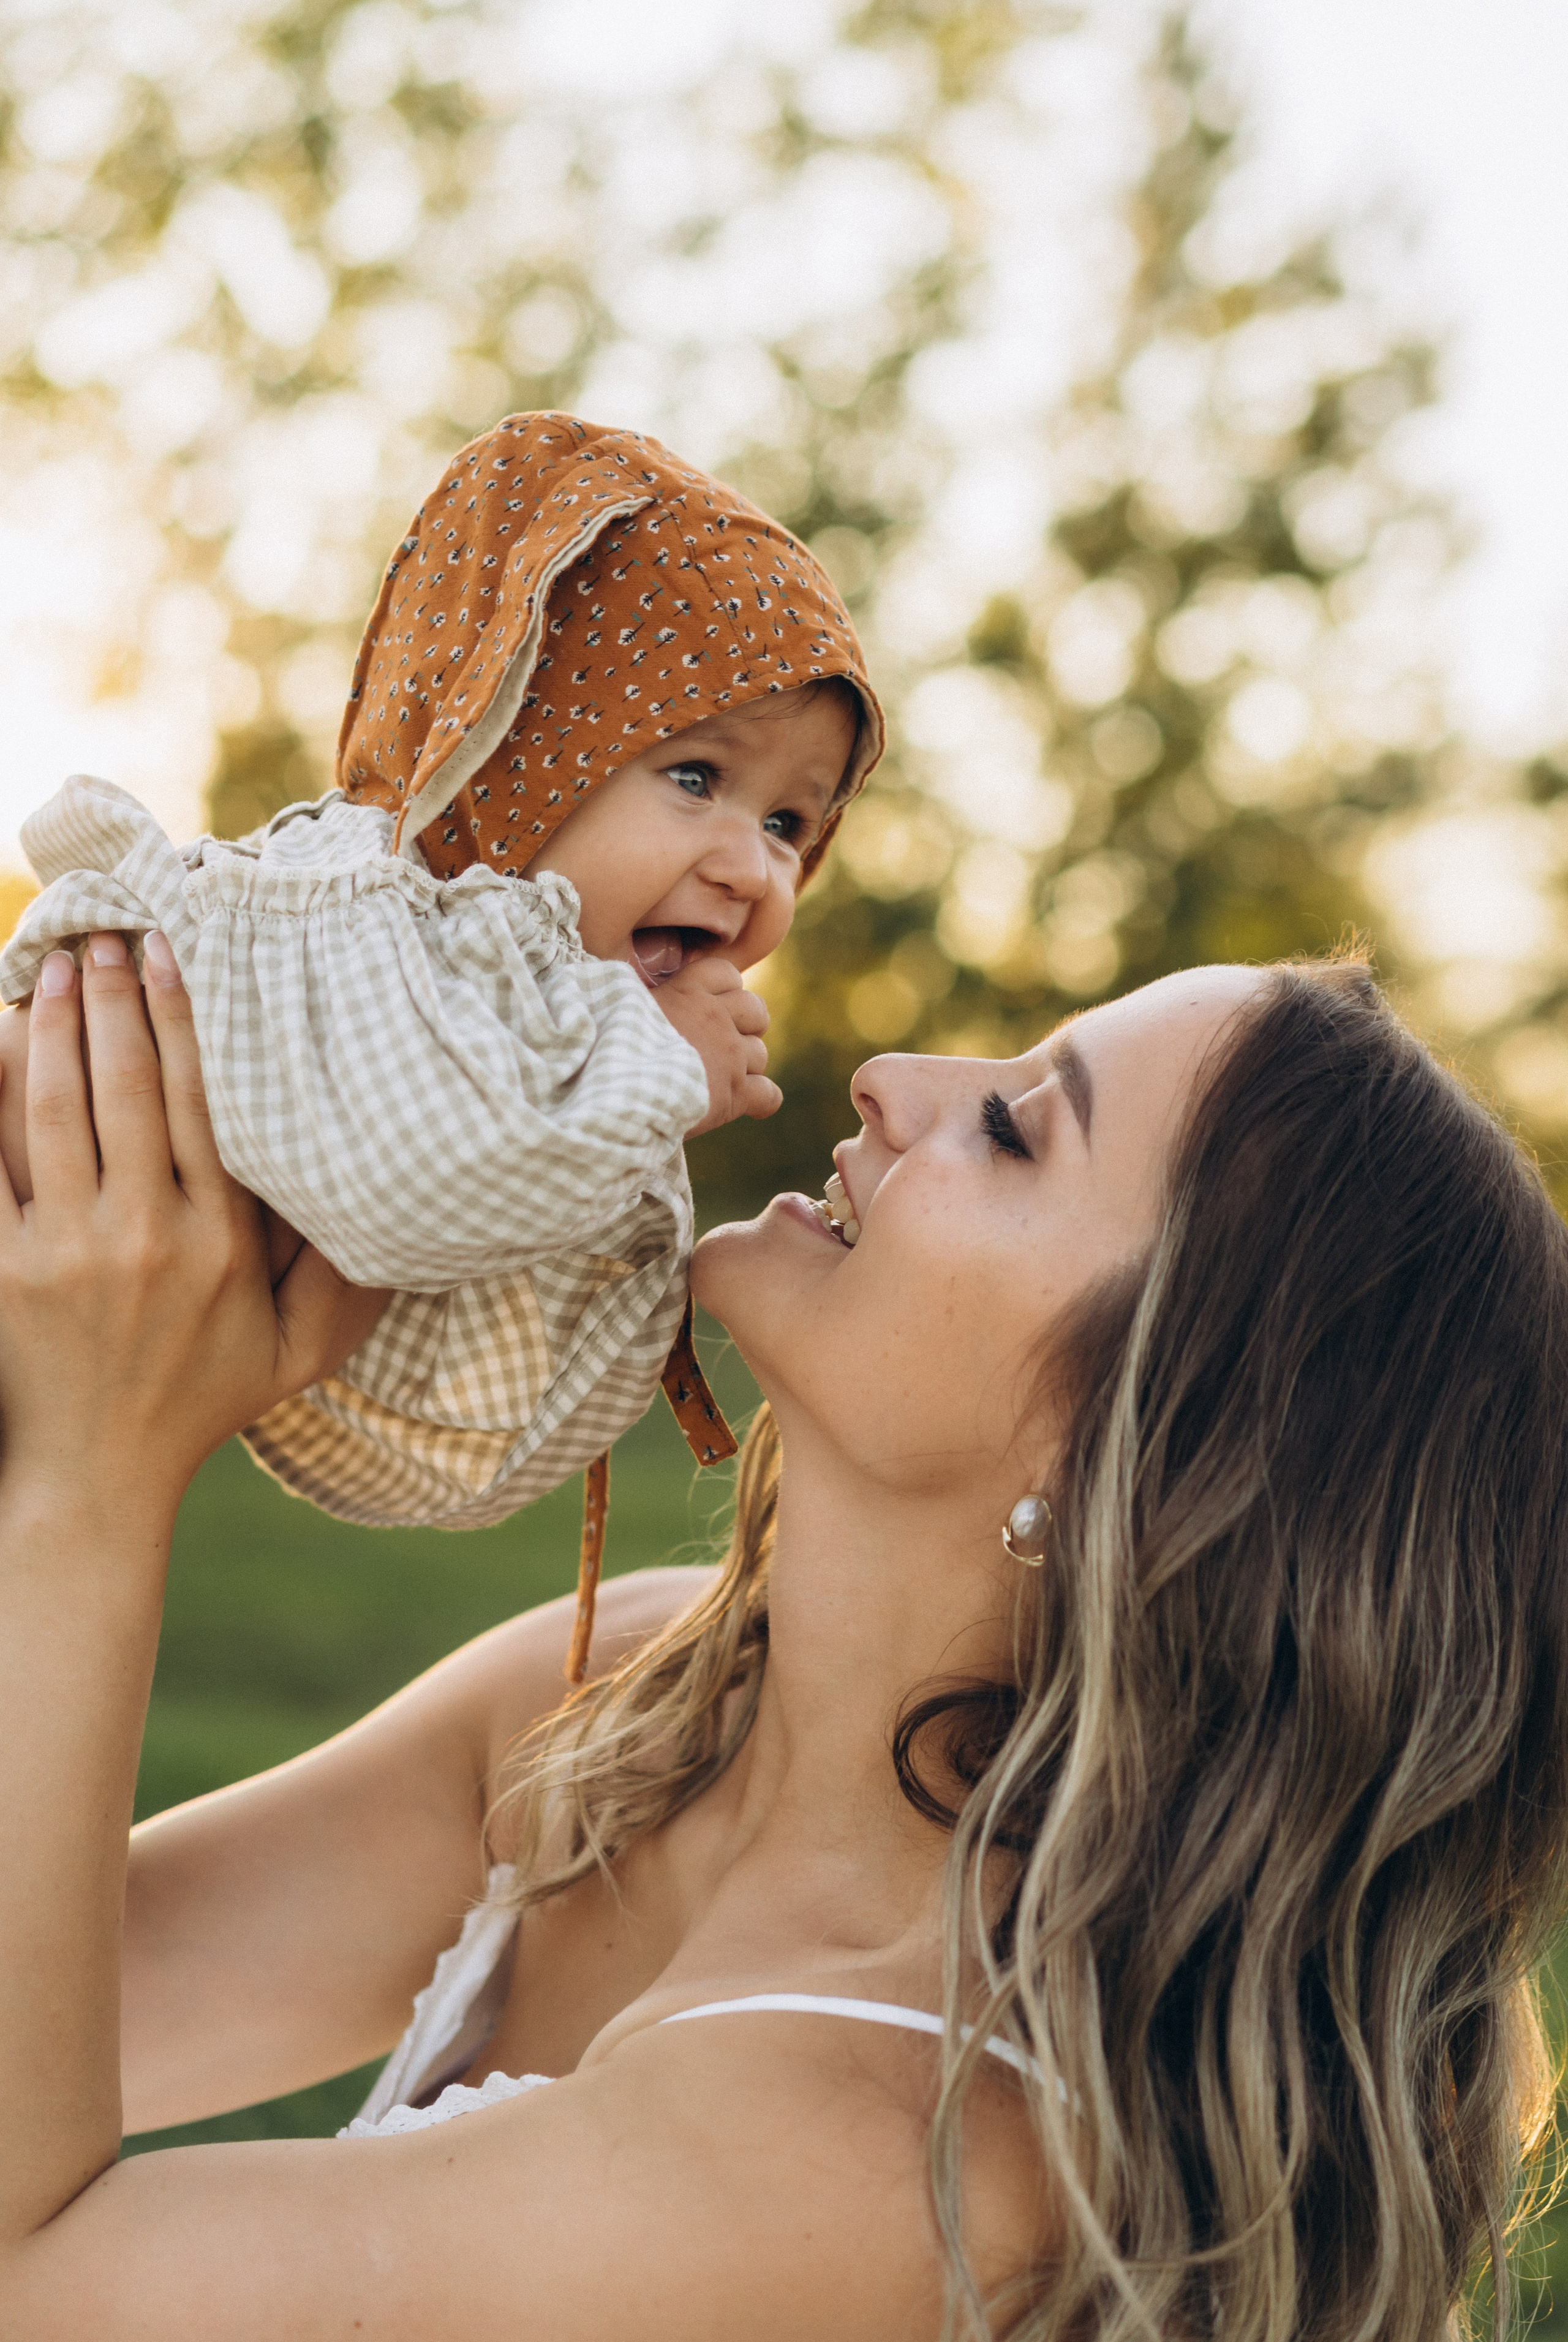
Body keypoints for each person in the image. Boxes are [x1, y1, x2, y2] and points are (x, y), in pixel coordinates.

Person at [0, 937, 1565, 2342]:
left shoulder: (882, 2157)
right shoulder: (651, 1699)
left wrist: (95, 1469)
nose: (889, 1081)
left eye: (1015, 1127)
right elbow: (86, 1978)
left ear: (1147, 1459)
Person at [0, 414, 883, 1617]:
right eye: (693, 777)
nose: (752, 868)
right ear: (513, 748)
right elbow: (410, 1196)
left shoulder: (500, 1002)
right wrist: (651, 1068)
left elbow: (470, 1434)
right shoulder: (354, 913)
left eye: (790, 824)